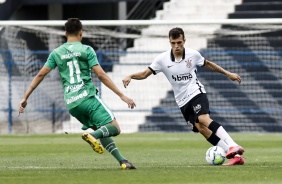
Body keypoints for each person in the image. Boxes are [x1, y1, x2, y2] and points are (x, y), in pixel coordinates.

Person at [18, 18, 136, 169]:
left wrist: (25, 97)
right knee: (114, 128)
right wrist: (122, 95)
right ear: (81, 32)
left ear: (65, 33)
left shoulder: (56, 53)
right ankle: (93, 136)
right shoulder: (86, 50)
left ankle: (122, 161)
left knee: (102, 130)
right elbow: (101, 75)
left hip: (72, 104)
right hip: (87, 98)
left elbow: (40, 75)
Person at [122, 27, 245, 166]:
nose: (176, 46)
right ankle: (235, 156)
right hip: (182, 101)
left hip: (196, 92)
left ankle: (232, 145)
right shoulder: (162, 59)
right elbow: (144, 74)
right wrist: (131, 75)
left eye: (179, 43)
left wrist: (228, 74)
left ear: (184, 41)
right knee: (201, 128)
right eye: (173, 43)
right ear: (169, 42)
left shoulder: (193, 55)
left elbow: (209, 64)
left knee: (203, 119)